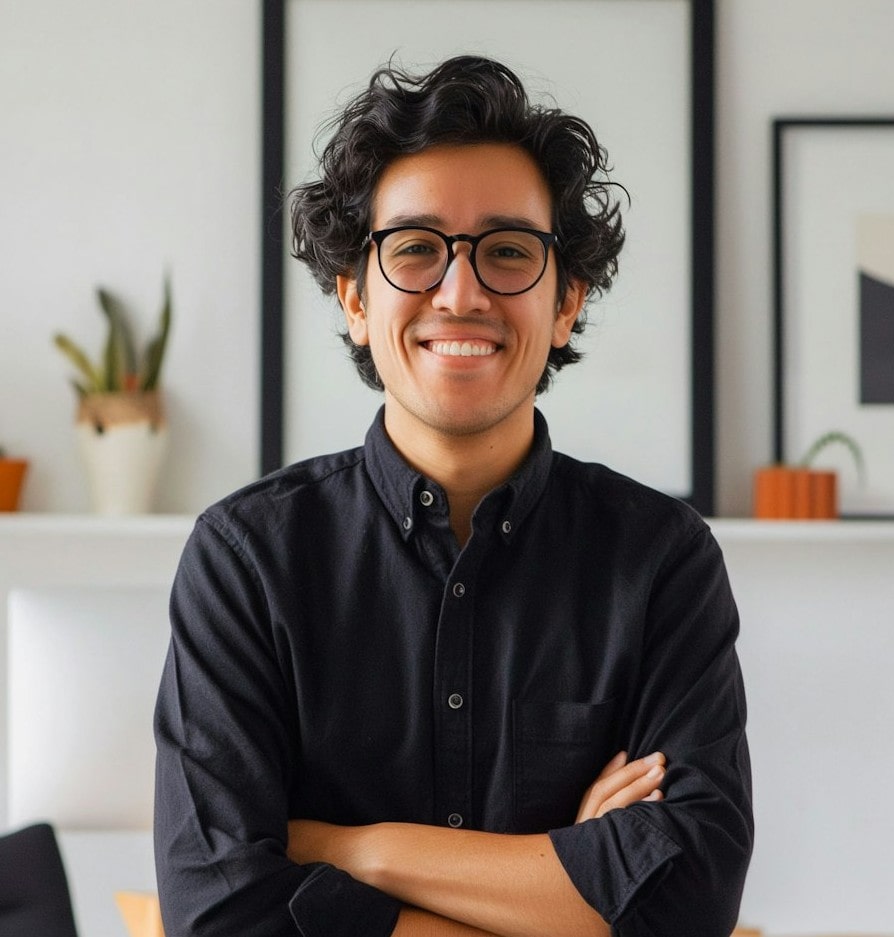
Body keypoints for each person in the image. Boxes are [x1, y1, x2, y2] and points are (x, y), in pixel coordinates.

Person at [154, 55, 752, 937]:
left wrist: (356, 849)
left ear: (566, 304)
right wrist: (562, 886)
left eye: (509, 250)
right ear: (355, 297)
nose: (461, 291)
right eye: (416, 250)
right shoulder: (246, 560)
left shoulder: (661, 558)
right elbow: (219, 913)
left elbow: (689, 897)